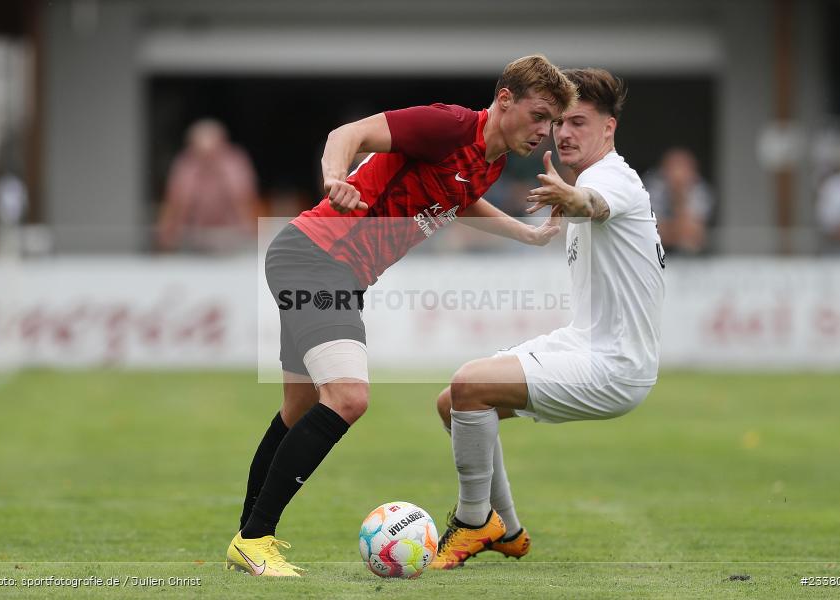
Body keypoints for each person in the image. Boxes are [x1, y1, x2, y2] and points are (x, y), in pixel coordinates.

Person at [225, 55, 578, 577]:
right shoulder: (449, 125)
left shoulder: (491, 161)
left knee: (300, 411)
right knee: (348, 396)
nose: (545, 132)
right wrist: (333, 178)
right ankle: (256, 538)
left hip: (325, 264)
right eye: (539, 115)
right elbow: (350, 133)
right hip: (319, 258)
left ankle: (248, 538)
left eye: (553, 123)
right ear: (505, 100)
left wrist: (528, 234)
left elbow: (463, 198)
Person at [429, 68, 666, 569]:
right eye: (559, 122)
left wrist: (573, 197)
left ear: (609, 128)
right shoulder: (590, 177)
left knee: (469, 385)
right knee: (454, 403)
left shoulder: (611, 178)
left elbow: (594, 204)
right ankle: (507, 530)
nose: (563, 133)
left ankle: (474, 522)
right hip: (585, 344)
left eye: (578, 121)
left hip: (615, 365)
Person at [157, 119, 258, 253]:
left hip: (231, 236)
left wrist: (251, 234)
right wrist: (168, 235)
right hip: (194, 237)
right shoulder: (185, 164)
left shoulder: (235, 162)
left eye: (212, 154)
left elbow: (244, 199)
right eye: (200, 155)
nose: (207, 160)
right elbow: (176, 202)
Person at [644, 147, 714, 255]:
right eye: (673, 167)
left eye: (683, 168)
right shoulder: (652, 188)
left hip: (692, 258)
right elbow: (653, 232)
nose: (677, 174)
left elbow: (695, 235)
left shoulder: (700, 190)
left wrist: (679, 195)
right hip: (653, 255)